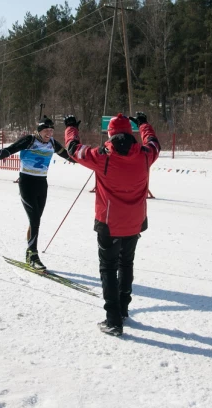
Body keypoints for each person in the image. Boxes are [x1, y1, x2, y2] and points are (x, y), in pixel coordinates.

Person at [63, 112, 160, 337]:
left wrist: (71, 127)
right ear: (130, 132)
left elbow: (73, 148)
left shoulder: (101, 155)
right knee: (126, 264)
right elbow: (154, 142)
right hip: (134, 223)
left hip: (109, 224)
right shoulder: (145, 155)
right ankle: (123, 309)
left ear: (111, 134)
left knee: (108, 269)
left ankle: (113, 320)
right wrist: (144, 123)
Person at [0, 116, 74, 269]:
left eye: (51, 130)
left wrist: (96, 160)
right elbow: (6, 151)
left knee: (36, 219)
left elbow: (69, 156)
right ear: (39, 131)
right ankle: (33, 255)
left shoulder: (52, 143)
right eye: (46, 130)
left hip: (42, 184)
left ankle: (30, 253)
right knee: (34, 219)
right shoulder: (30, 140)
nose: (49, 134)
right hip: (27, 183)